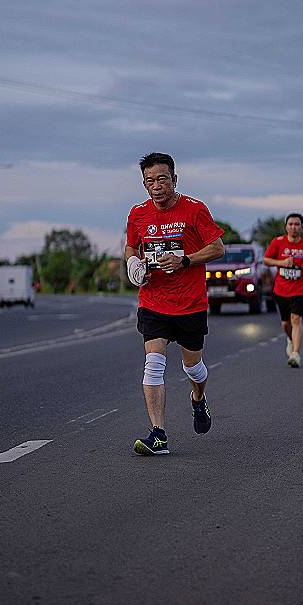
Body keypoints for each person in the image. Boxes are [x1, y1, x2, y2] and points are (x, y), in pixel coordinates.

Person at [125, 152, 225, 455]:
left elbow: (217, 248)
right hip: (153, 301)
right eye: (150, 181)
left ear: (174, 179)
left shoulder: (194, 209)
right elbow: (131, 246)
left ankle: (198, 399)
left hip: (190, 304)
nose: (157, 186)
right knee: (153, 364)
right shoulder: (138, 213)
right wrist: (133, 265)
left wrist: (185, 261)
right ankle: (159, 435)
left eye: (162, 179)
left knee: (193, 368)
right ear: (144, 184)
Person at [263, 213, 303, 368]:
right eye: (291, 224)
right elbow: (266, 260)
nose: (294, 227)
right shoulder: (278, 242)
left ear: (302, 227)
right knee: (285, 323)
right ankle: (290, 339)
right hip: (281, 289)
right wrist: (281, 263)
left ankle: (295, 354)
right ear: (286, 227)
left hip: (300, 289)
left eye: (297, 224)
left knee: (296, 319)